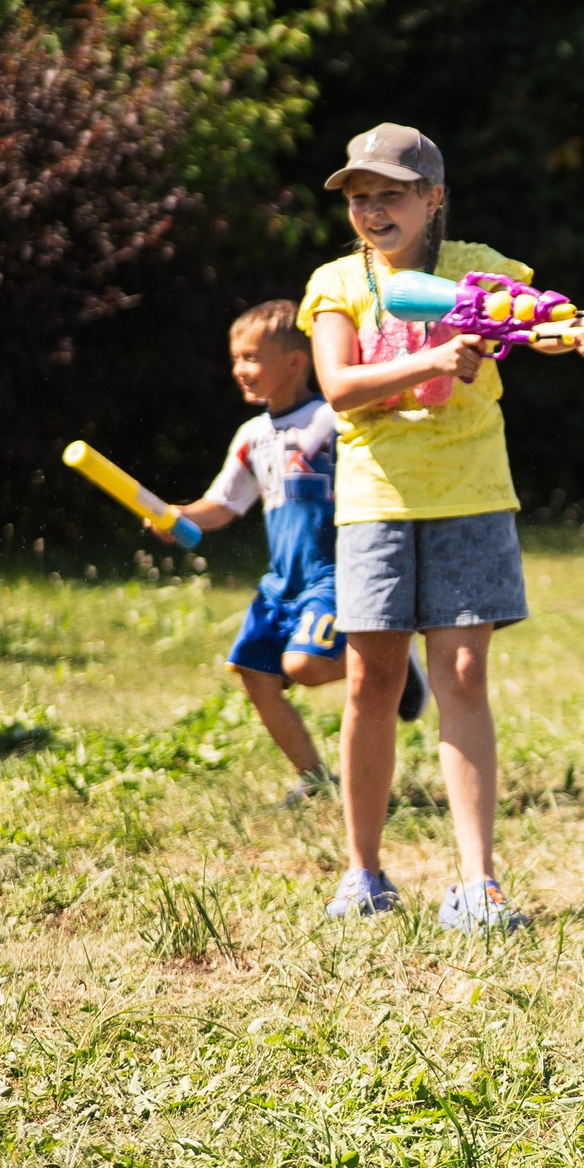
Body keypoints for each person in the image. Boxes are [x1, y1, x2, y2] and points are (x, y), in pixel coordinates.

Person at [298, 123, 584, 930]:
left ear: (432, 198)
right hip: (377, 498)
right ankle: (364, 872)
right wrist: (435, 362)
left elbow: (532, 318)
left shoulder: (482, 270)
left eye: (391, 194)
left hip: (472, 491)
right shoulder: (337, 281)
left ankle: (479, 884)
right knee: (371, 680)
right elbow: (339, 386)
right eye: (360, 198)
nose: (372, 211)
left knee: (463, 674)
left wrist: (573, 330)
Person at [162, 300, 426, 805]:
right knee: (256, 673)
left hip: (333, 573)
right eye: (236, 359)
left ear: (295, 362)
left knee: (303, 667)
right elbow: (222, 505)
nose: (241, 369)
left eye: (252, 358)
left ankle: (393, 656)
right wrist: (180, 517)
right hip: (282, 580)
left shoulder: (331, 419)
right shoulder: (251, 437)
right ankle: (317, 779)